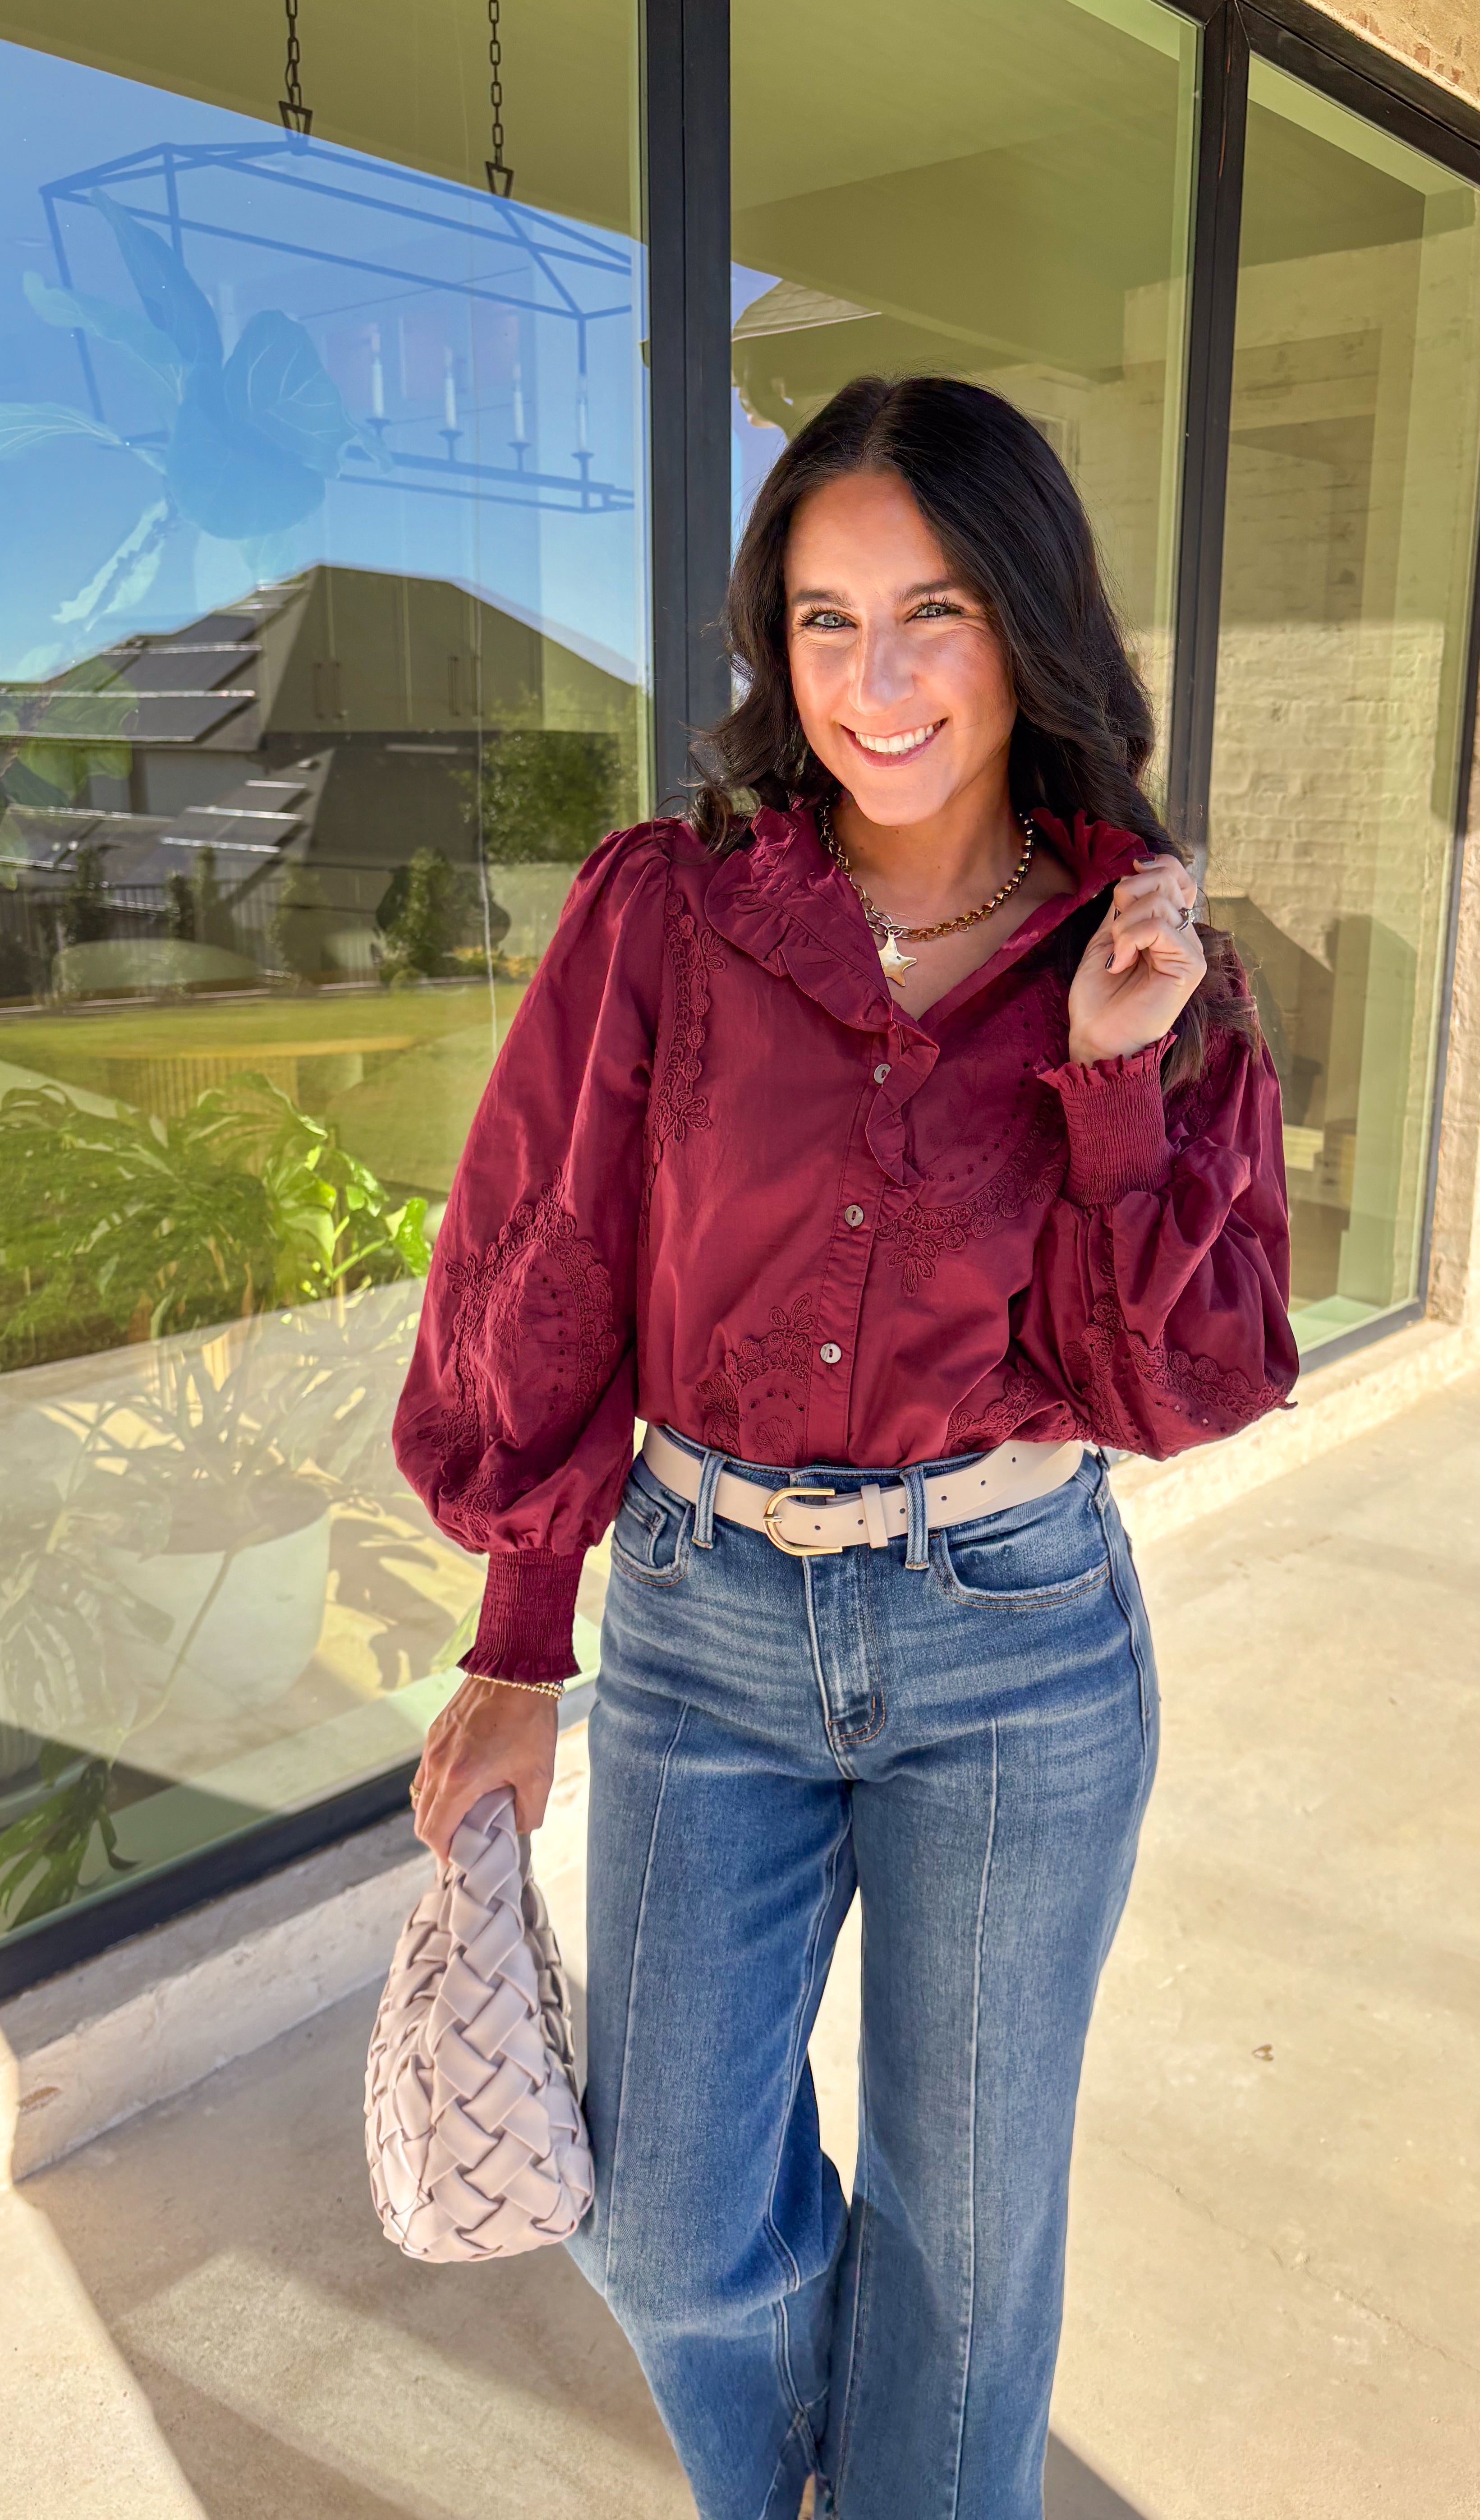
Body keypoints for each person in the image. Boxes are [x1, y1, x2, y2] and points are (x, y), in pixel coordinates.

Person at [396, 373, 1296, 2520]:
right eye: (822, 621)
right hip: (706, 1622)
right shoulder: (666, 915)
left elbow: (1172, 1384)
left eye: (936, 614)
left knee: (968, 2255)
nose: (875, 683)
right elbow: (553, 1262)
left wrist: (1104, 1083)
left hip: (1018, 1637)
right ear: (770, 645)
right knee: (671, 2219)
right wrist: (524, 1638)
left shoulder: (1151, 963)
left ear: (1031, 631)